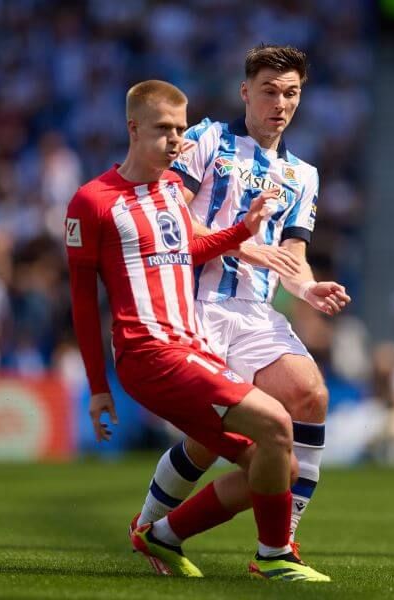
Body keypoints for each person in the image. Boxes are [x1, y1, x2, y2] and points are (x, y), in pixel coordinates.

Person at [66, 79, 330, 582]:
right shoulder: (92, 202)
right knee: (276, 422)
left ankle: (161, 534)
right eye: (164, 129)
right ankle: (274, 556)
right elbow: (81, 299)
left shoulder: (169, 190)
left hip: (188, 346)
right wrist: (99, 388)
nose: (175, 140)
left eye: (181, 129)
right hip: (150, 353)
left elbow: (192, 248)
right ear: (133, 128)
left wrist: (244, 231)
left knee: (278, 466)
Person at [132, 45, 350, 559]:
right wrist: (242, 243)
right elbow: (172, 221)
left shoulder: (303, 175)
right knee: (213, 439)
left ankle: (283, 539)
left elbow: (291, 256)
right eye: (269, 91)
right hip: (194, 306)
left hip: (254, 312)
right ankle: (149, 527)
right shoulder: (207, 139)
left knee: (310, 395)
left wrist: (306, 288)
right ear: (245, 92)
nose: (280, 103)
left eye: (291, 93)